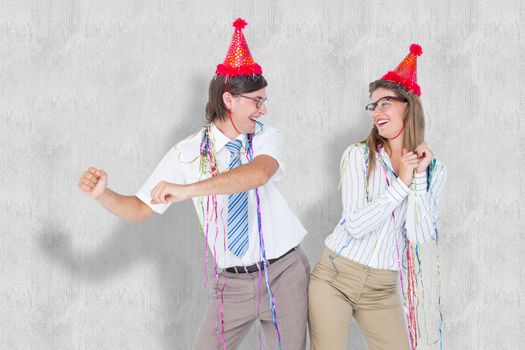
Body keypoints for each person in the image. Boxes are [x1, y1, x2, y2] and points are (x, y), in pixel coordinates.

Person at [78, 18, 309, 350]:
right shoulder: (186, 153)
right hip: (232, 284)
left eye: (263, 99)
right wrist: (102, 195)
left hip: (284, 273)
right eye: (256, 100)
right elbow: (141, 208)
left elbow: (258, 174)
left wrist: (188, 189)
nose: (264, 109)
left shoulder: (266, 138)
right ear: (230, 100)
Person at [308, 44, 447, 350]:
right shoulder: (358, 156)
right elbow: (356, 224)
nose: (377, 113)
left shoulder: (434, 170)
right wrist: (401, 183)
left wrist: (419, 178)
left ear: (408, 106)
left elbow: (419, 234)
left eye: (386, 103)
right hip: (335, 276)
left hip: (382, 289)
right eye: (373, 106)